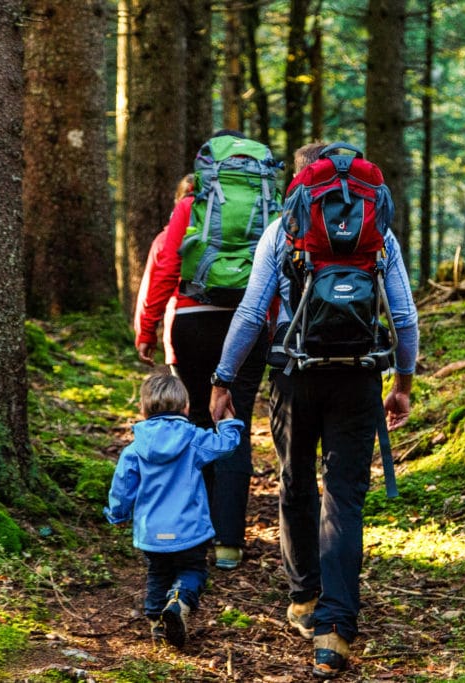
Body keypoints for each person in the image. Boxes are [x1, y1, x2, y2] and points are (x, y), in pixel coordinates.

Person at [209, 142, 419, 679]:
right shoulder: (379, 231)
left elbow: (255, 310)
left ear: (300, 182)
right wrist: (403, 382)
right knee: (344, 498)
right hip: (359, 376)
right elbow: (404, 315)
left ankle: (303, 599)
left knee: (295, 483)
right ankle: (336, 630)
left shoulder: (283, 229)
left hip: (293, 372)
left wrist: (223, 378)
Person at [135, 131, 271, 571]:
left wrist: (148, 325)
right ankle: (229, 542)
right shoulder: (266, 209)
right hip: (248, 324)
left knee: (193, 420)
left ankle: (194, 528)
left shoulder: (188, 208)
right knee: (236, 420)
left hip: (192, 321)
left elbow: (167, 265)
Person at [104, 368, 245, 648]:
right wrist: (229, 422)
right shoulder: (193, 440)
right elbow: (226, 446)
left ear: (143, 409)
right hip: (189, 530)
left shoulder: (134, 449)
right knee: (193, 570)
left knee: (158, 573)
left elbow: (121, 487)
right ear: (186, 407)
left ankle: (157, 623)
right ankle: (179, 601)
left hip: (152, 533)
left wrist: (118, 515)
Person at [134, 174, 195, 366]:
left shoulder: (164, 240)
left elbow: (151, 289)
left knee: (190, 394)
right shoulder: (229, 237)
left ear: (177, 201)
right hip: (234, 324)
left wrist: (145, 333)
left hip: (182, 323)